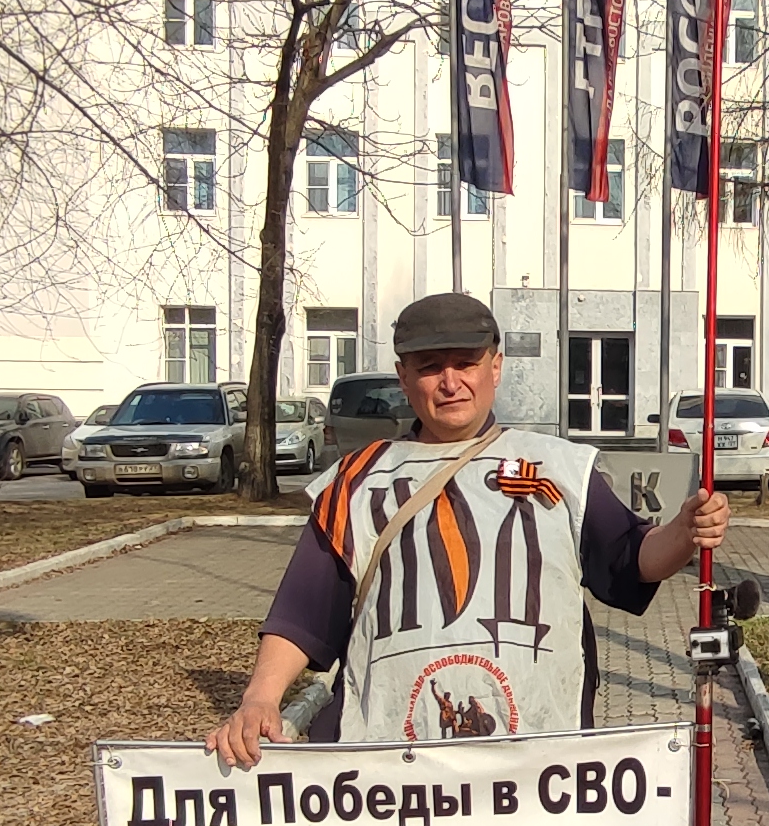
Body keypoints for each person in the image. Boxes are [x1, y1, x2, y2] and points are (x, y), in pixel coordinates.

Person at [205, 291, 729, 759]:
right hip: (388, 770)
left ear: (495, 367)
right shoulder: (355, 482)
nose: (450, 382)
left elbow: (631, 557)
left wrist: (685, 532)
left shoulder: (560, 468)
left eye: (466, 363)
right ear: (404, 375)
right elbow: (303, 612)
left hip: (538, 764)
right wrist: (259, 699)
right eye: (431, 366)